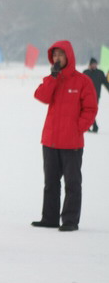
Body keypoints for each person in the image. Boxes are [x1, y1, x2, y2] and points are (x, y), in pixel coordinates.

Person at [32, 40, 97, 231]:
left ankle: (70, 220)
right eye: (55, 55)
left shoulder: (82, 81)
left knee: (72, 183)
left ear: (69, 56)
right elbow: (41, 97)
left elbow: (90, 109)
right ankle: (49, 218)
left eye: (61, 54)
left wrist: (78, 128)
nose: (57, 58)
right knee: (50, 182)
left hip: (72, 142)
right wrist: (53, 78)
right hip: (50, 141)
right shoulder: (52, 78)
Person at [83, 57, 109, 133]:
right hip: (85, 96)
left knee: (92, 111)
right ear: (90, 65)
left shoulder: (100, 73)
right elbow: (80, 84)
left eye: (95, 64)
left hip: (96, 96)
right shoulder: (86, 72)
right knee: (86, 111)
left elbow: (106, 83)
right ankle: (93, 126)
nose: (94, 65)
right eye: (93, 64)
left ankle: (94, 126)